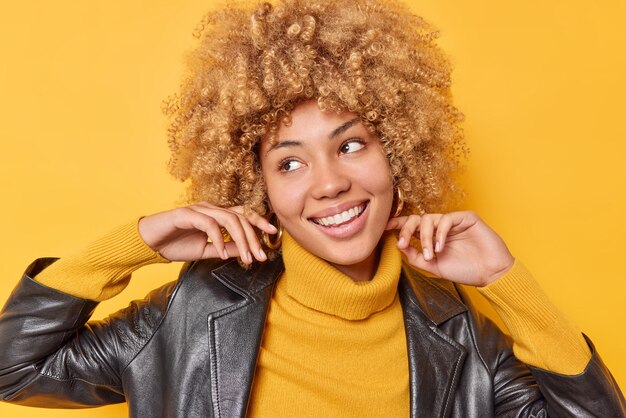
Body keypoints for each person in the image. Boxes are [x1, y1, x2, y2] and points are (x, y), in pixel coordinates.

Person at [0, 0, 624, 416]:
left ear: (400, 156)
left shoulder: (463, 334)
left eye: (351, 144)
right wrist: (131, 245)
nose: (328, 184)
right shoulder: (189, 315)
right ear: (258, 189)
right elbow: (12, 373)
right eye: (290, 162)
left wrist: (508, 286)